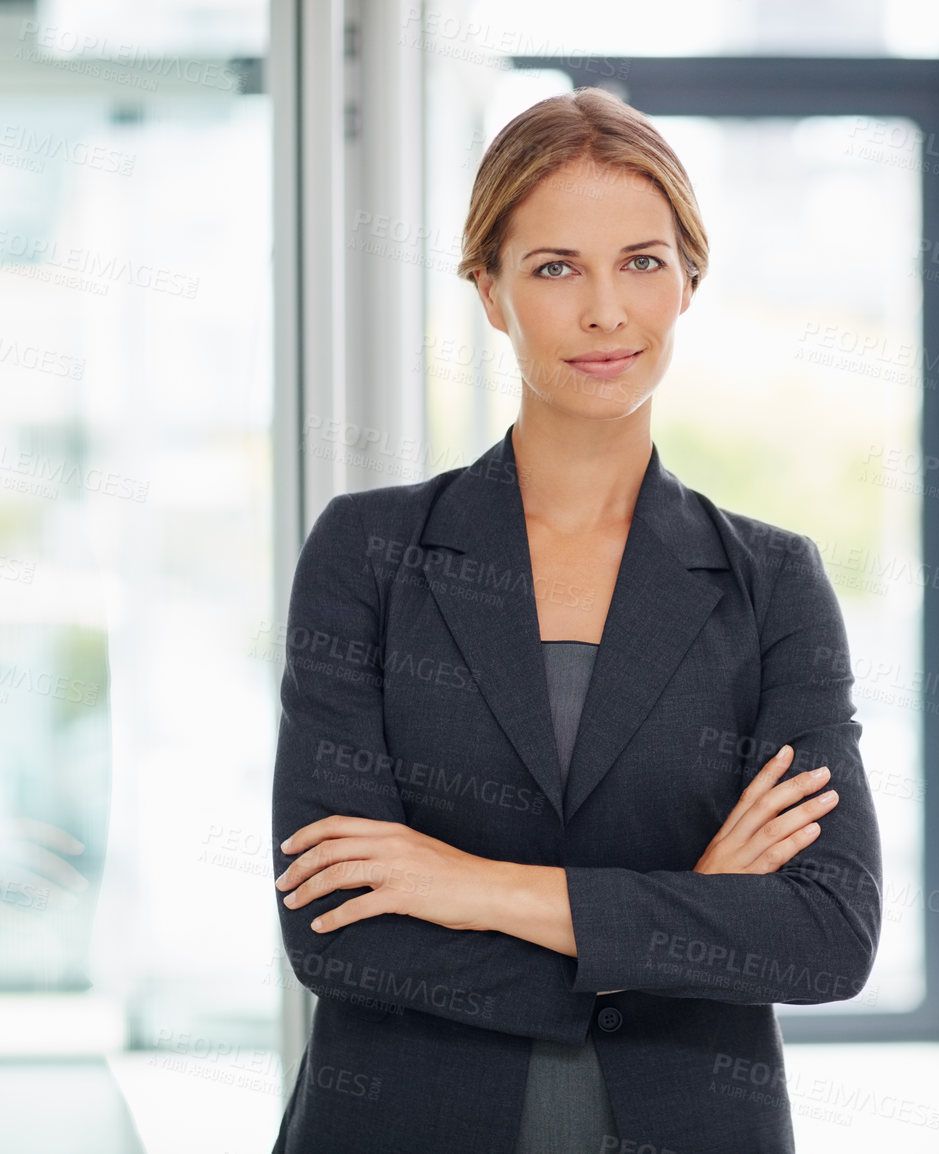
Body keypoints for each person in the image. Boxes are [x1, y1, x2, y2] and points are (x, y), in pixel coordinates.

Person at [269, 87, 883, 1154]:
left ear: (688, 281)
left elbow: (825, 935)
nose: (606, 311)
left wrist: (471, 886)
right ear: (490, 291)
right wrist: (684, 913)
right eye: (555, 267)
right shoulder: (369, 554)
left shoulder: (770, 580)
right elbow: (340, 932)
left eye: (641, 261)